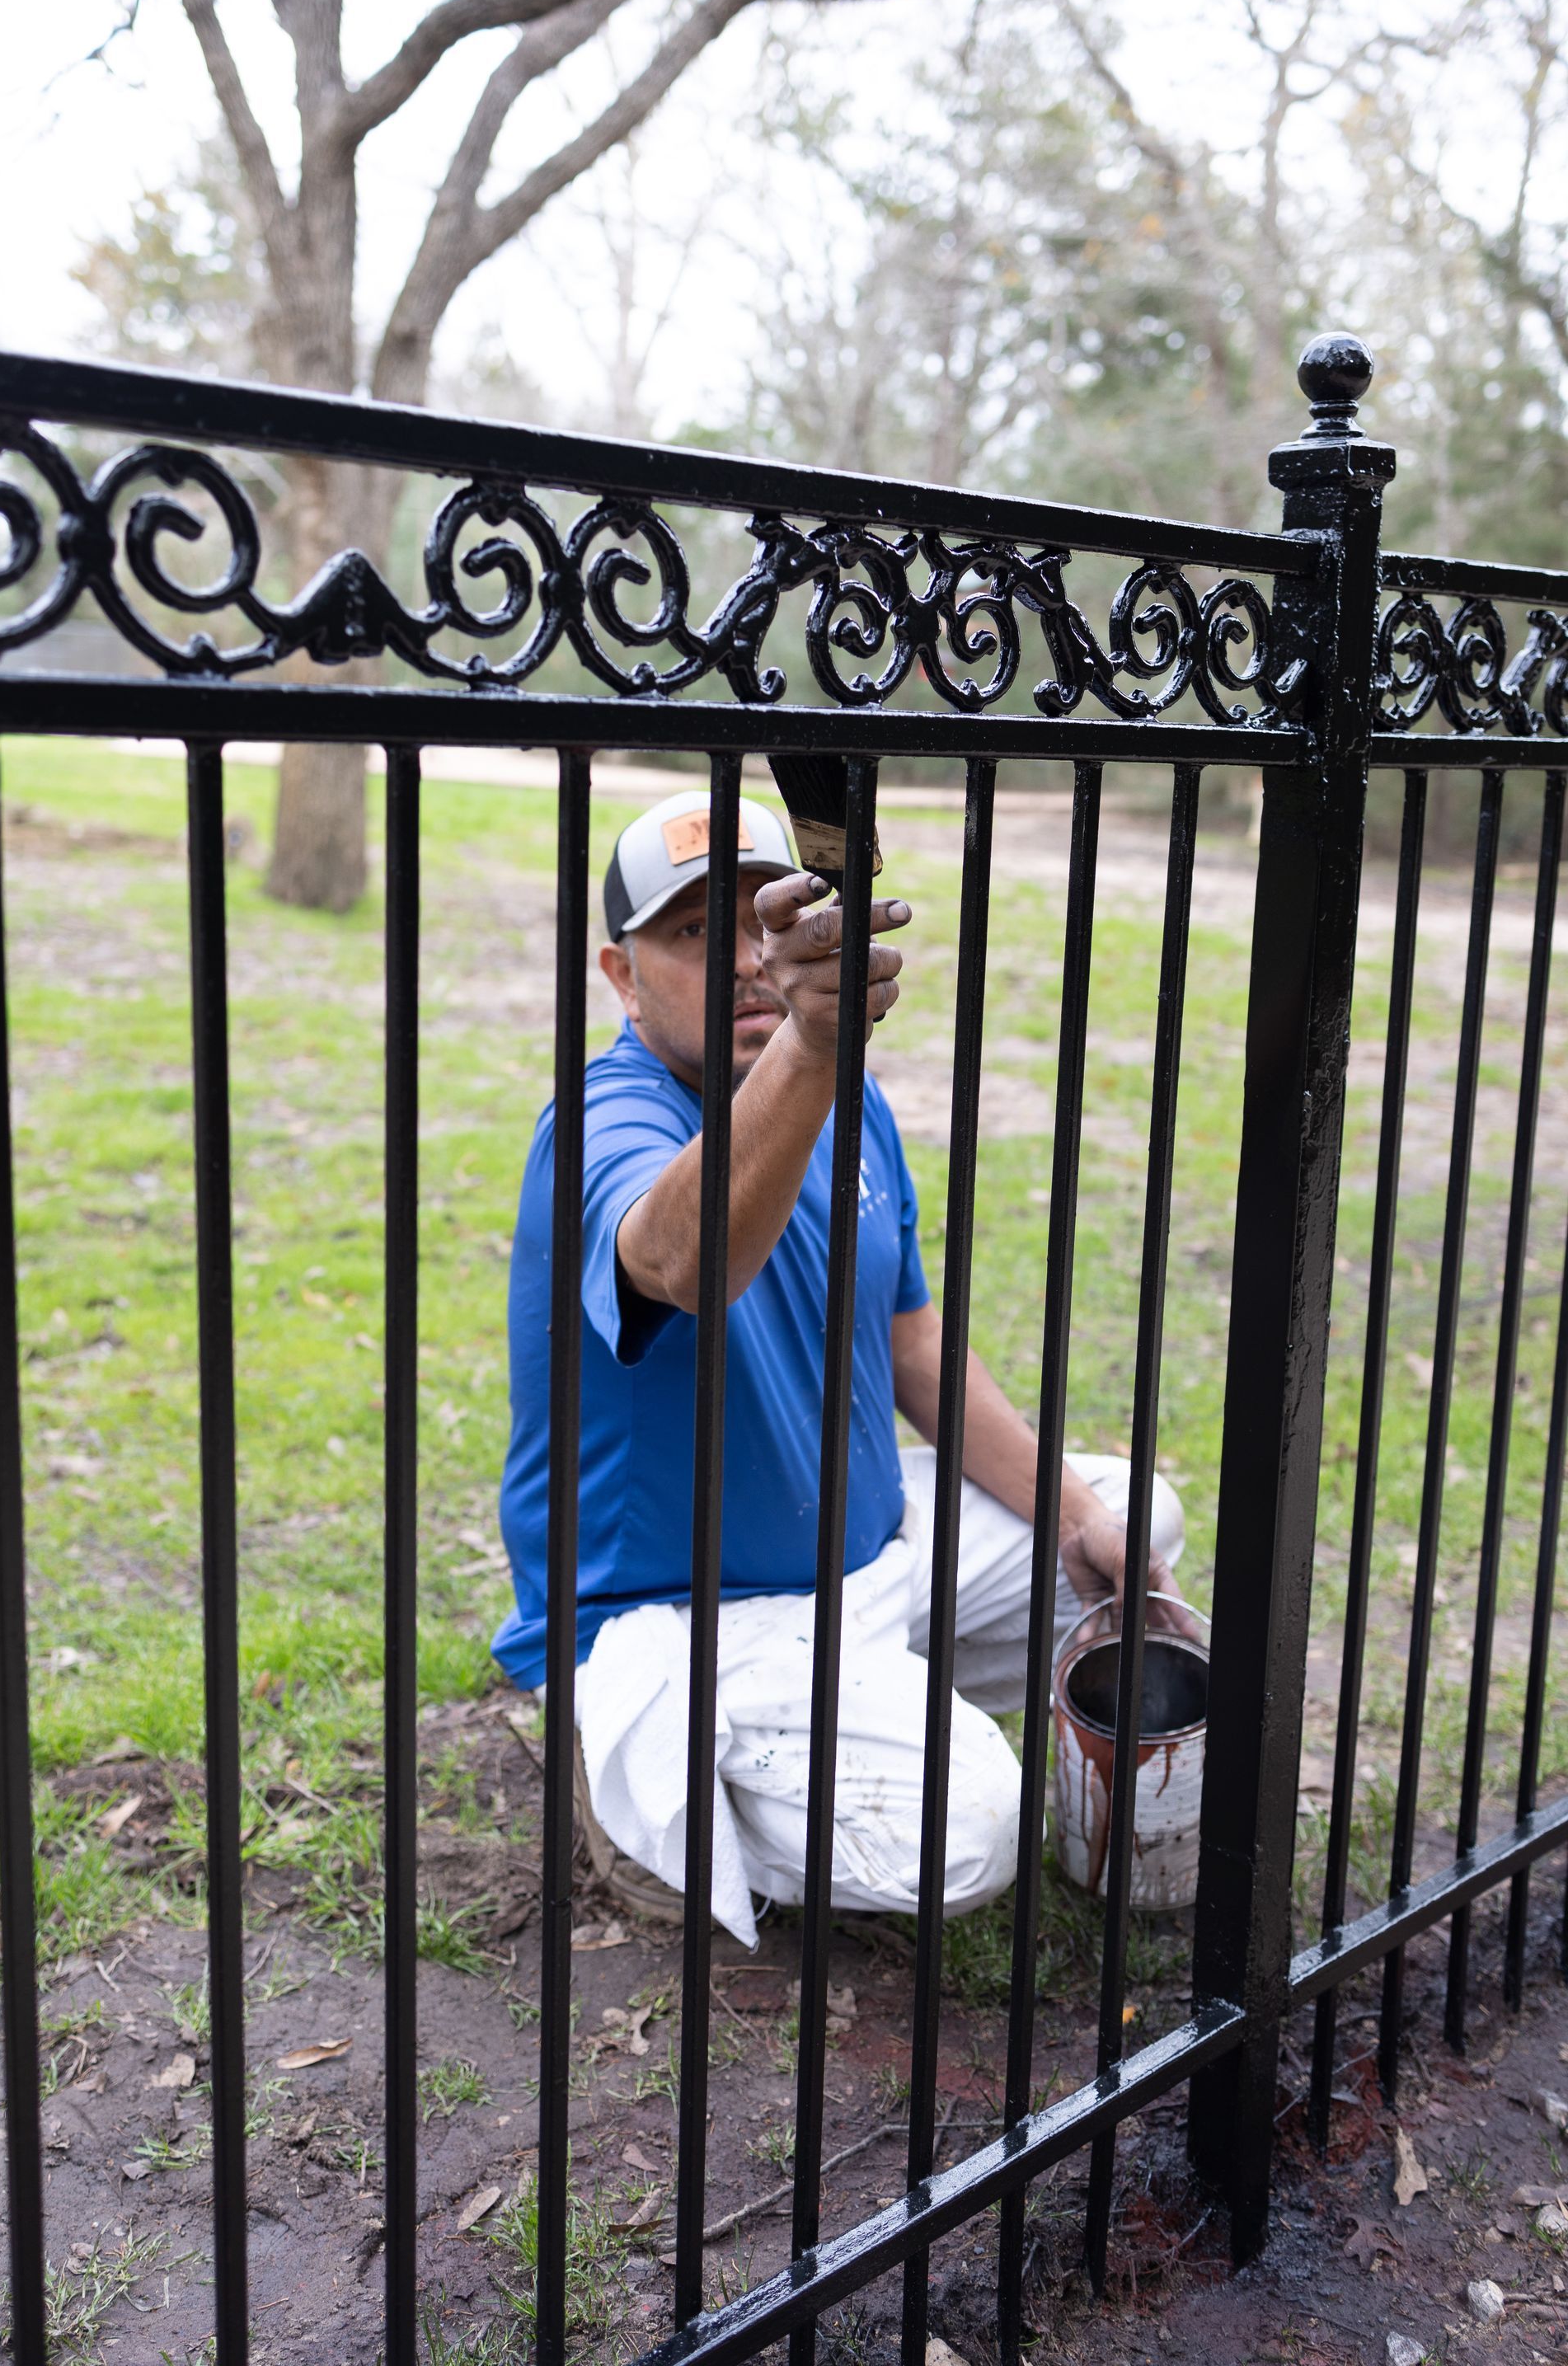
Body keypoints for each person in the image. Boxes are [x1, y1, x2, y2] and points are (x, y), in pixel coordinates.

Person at [494, 787, 1190, 1946]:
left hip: (868, 1556)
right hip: (690, 1611)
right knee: (973, 1829)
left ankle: (852, 1714)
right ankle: (651, 1798)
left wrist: (1075, 1521)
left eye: (765, 919)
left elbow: (914, 1342)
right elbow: (678, 1261)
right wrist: (816, 1042)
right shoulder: (604, 1122)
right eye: (691, 935)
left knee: (1135, 1522)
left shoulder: (850, 1097)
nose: (746, 962)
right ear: (622, 976)